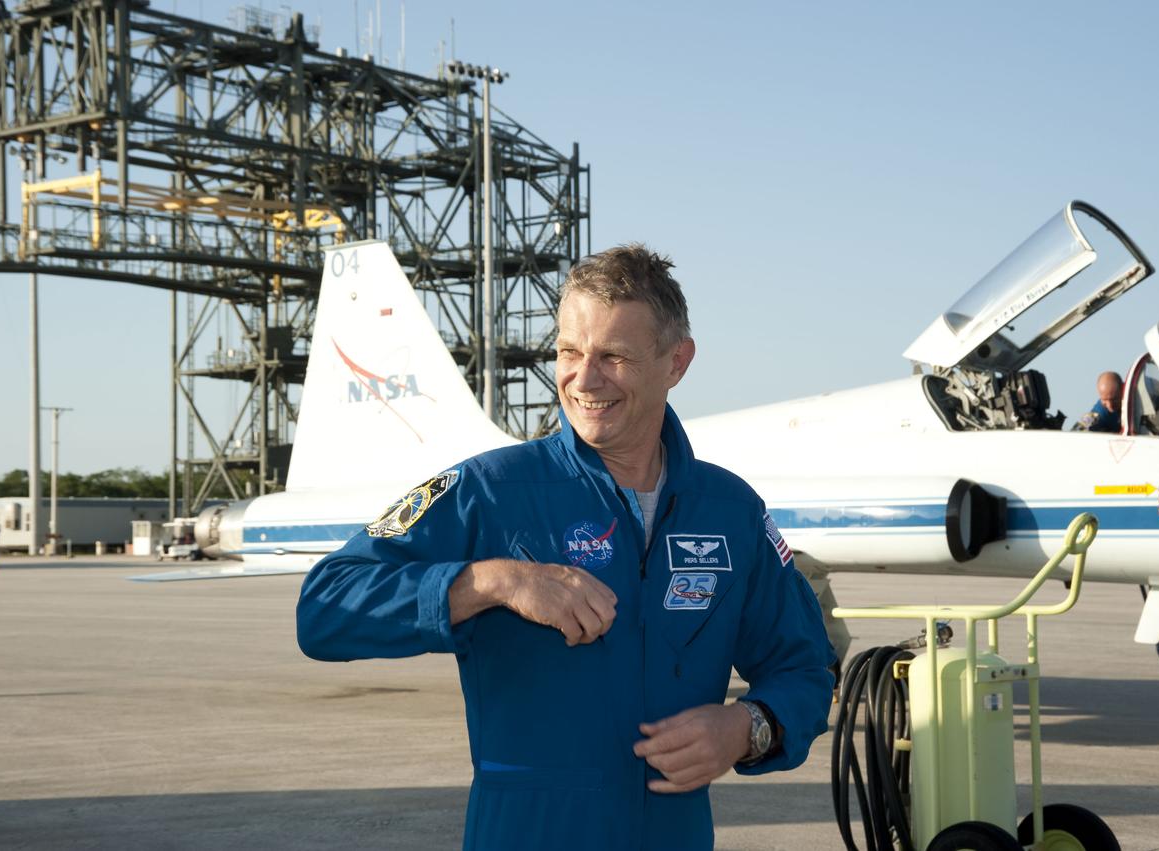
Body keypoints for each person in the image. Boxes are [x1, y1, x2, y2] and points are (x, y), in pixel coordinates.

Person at [297, 244, 835, 850]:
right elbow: (324, 608)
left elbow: (806, 671)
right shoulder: (490, 491)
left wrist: (746, 728)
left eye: (613, 356)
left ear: (676, 362)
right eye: (569, 352)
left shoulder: (731, 511)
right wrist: (494, 582)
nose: (584, 379)